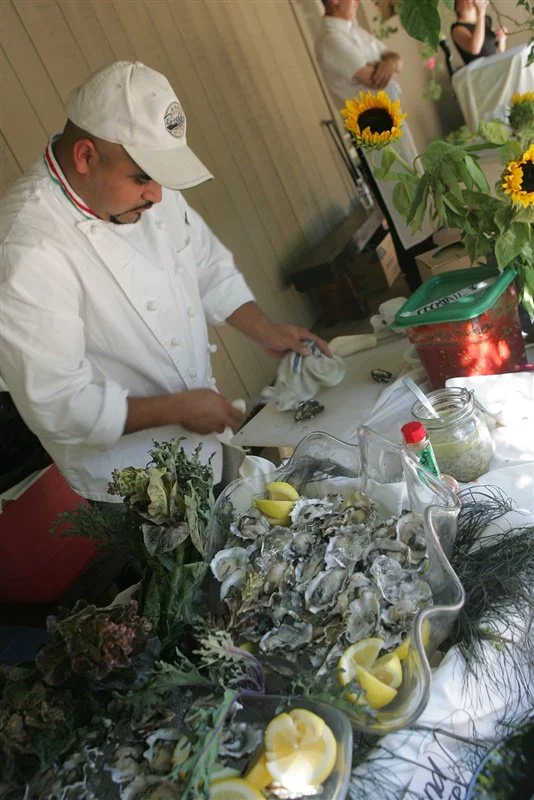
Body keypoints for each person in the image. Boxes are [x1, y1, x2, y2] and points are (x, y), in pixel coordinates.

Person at [0, 61, 329, 504]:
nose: (157, 195)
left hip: (204, 441)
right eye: (142, 178)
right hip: (131, 484)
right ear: (85, 157)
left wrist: (264, 330)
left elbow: (206, 263)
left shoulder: (146, 187)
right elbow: (60, 403)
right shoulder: (26, 246)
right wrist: (178, 408)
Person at [316, 0, 434, 290]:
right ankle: (419, 279)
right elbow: (373, 79)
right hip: (371, 132)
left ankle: (431, 262)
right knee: (400, 208)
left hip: (391, 123)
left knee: (413, 193)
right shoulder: (332, 40)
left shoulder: (354, 32)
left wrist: (389, 61)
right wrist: (385, 65)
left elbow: (394, 59)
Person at [451, 0, 508, 65]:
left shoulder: (486, 19)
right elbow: (475, 49)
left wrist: (502, 39)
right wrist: (481, 13)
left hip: (495, 65)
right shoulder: (457, 29)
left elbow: (499, 52)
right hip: (480, 71)